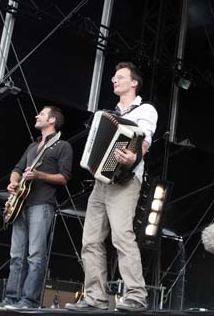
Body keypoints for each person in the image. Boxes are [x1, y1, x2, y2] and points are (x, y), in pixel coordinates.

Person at [65, 62, 157, 312]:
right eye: (113, 78)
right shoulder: (108, 112)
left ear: (134, 82)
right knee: (90, 240)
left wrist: (133, 157)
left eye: (120, 77)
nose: (114, 81)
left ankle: (136, 296)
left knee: (121, 236)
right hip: (101, 181)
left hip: (126, 180)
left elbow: (144, 141)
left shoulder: (146, 109)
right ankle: (95, 297)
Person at [0, 106, 73, 310]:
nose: (37, 116)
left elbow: (64, 177)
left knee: (35, 255)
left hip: (42, 204)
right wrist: (13, 183)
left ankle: (29, 300)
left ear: (52, 120)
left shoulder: (62, 146)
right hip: (21, 204)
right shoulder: (31, 147)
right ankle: (11, 298)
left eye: (42, 114)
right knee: (16, 254)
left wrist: (39, 176)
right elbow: (17, 170)